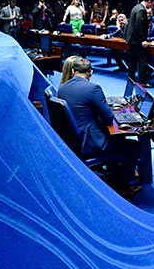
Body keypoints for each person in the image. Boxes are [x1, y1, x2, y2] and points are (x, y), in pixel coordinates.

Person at [56, 56, 143, 196]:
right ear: (91, 72)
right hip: (90, 142)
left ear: (72, 71)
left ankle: (115, 173)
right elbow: (109, 118)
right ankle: (123, 187)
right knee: (134, 146)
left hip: (74, 139)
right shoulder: (93, 88)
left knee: (119, 140)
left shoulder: (62, 88)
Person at [125, 0, 154, 88]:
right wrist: (143, 40)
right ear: (149, 1)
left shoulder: (136, 7)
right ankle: (143, 81)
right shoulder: (141, 10)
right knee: (142, 60)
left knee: (132, 60)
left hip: (131, 38)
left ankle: (131, 78)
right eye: (152, 4)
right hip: (137, 40)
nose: (152, 6)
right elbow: (139, 26)